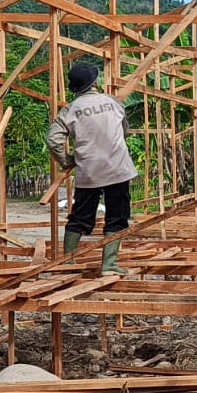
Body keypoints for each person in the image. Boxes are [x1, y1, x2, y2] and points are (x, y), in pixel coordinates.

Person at [45, 61, 138, 275]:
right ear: (95, 83)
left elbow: (53, 140)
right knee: (117, 217)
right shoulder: (112, 102)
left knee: (80, 216)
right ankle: (109, 265)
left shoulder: (70, 110)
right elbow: (124, 130)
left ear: (76, 87)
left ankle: (67, 262)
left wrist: (66, 160)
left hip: (89, 171)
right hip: (118, 169)